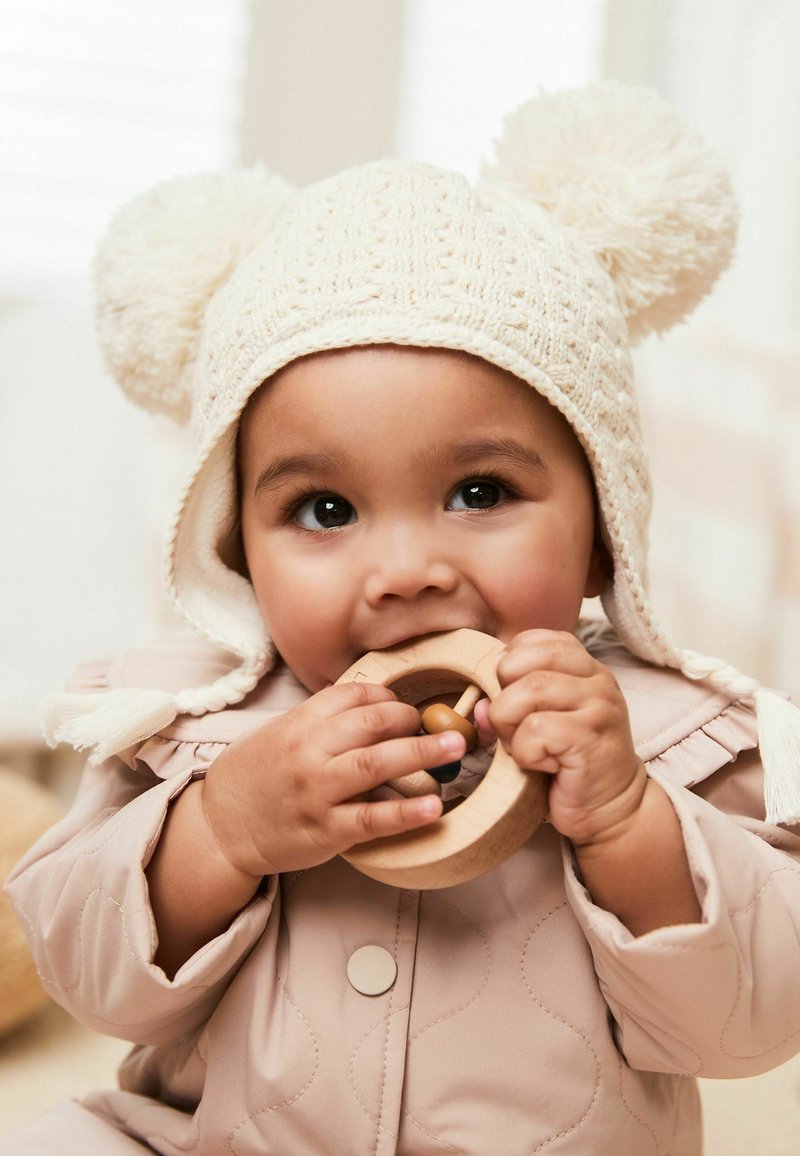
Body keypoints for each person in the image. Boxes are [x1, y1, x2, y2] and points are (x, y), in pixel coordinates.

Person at [4, 82, 800, 1154]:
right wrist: (222, 832)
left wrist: (624, 824)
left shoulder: (669, 742)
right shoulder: (194, 731)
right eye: (324, 510)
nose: (405, 570)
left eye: (479, 492)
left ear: (605, 522)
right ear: (237, 546)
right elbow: (90, 980)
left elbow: (749, 1025)